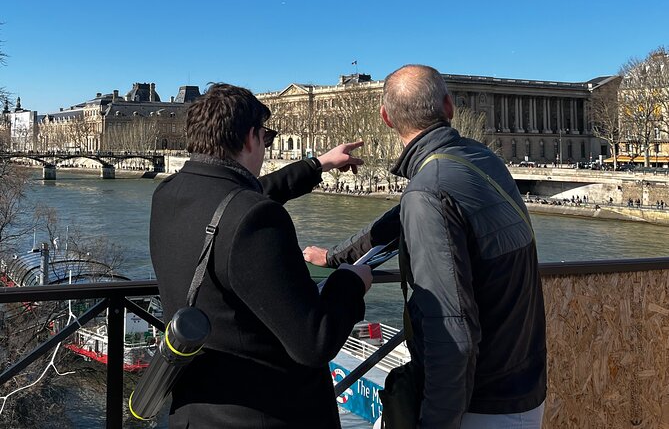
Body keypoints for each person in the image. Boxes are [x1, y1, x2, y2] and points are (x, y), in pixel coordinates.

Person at [304, 65, 546, 428]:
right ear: (449, 107)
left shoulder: (428, 190)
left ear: (385, 118)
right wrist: (334, 256)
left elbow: (452, 334)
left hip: (480, 404)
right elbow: (394, 222)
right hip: (524, 382)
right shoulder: (479, 160)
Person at [150, 83, 373, 428]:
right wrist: (349, 282)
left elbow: (240, 199)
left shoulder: (167, 194)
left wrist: (318, 164)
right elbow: (314, 341)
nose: (266, 150)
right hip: (263, 413)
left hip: (194, 410)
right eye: (266, 139)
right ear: (251, 137)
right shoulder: (254, 217)